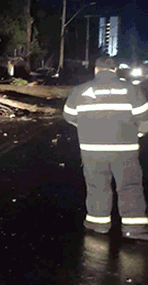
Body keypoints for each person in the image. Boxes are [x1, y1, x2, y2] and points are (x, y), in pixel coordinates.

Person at [63, 56, 148, 241]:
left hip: (92, 150)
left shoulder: (80, 90)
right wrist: (137, 135)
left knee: (97, 186)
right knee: (129, 186)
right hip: (125, 149)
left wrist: (88, 127)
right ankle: (134, 229)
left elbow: (69, 116)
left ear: (96, 70)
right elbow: (144, 120)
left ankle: (98, 224)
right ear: (115, 70)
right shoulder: (132, 90)